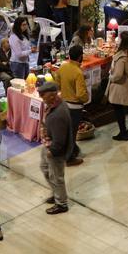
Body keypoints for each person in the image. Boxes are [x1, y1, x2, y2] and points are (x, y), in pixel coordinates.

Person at [38, 82, 73, 214]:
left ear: (52, 95)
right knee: (45, 168)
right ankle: (56, 193)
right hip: (48, 143)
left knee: (56, 177)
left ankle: (61, 204)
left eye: (43, 95)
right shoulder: (53, 105)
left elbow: (59, 140)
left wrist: (52, 151)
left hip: (54, 150)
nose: (41, 97)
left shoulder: (59, 114)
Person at [52, 44, 87, 166]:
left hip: (64, 104)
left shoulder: (63, 67)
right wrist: (86, 98)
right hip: (75, 107)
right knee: (72, 133)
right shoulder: (78, 72)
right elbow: (81, 94)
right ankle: (70, 158)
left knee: (67, 132)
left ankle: (72, 151)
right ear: (80, 57)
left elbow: (57, 84)